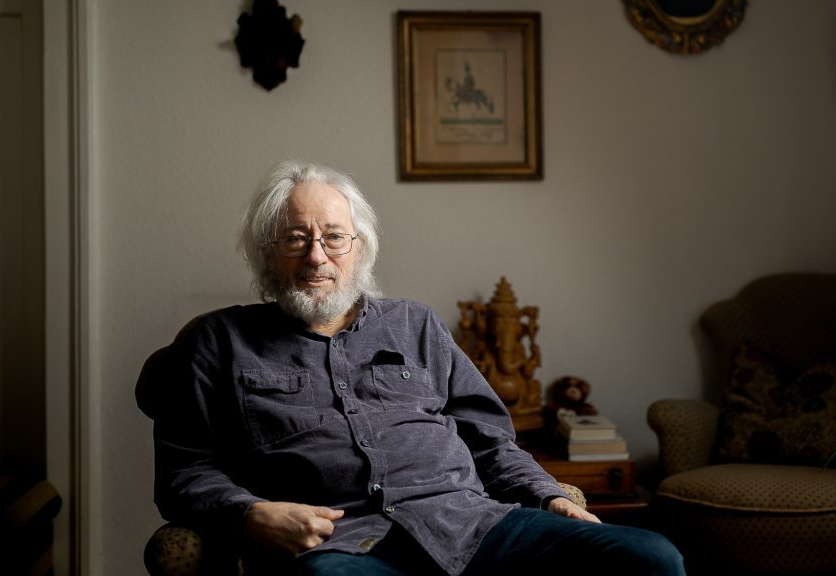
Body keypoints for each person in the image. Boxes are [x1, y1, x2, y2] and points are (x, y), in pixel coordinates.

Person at [145, 160, 685, 575]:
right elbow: (185, 471)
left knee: (652, 557)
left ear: (359, 248)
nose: (316, 255)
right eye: (295, 239)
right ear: (268, 253)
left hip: (471, 527)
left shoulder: (415, 324)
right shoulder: (218, 341)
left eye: (334, 236)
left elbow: (489, 441)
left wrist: (548, 495)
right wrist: (249, 512)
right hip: (341, 546)